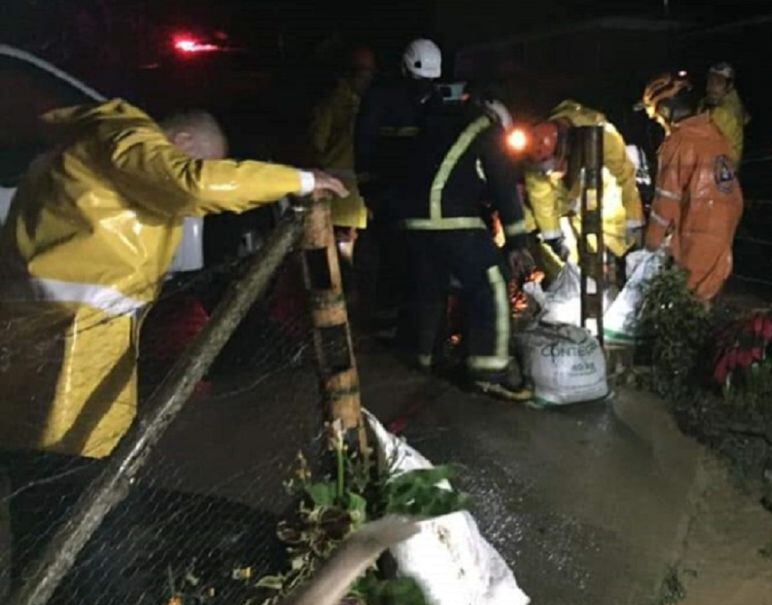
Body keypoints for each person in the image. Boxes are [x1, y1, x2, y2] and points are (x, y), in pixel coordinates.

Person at [0, 99, 347, 460]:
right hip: (79, 326)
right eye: (202, 161)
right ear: (182, 141)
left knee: (22, 441)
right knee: (75, 454)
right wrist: (300, 179)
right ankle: (75, 517)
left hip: (40, 316)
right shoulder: (132, 142)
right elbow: (194, 185)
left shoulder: (88, 144)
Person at [400, 88, 534, 401]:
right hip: (449, 219)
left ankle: (423, 359)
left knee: (430, 287)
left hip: (411, 221)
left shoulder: (437, 123)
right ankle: (491, 372)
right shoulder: (487, 130)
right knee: (492, 279)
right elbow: (503, 186)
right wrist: (517, 243)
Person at [353, 38, 443, 329]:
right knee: (390, 253)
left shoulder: (434, 100)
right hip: (388, 188)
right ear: (405, 70)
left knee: (419, 256)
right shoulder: (381, 97)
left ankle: (411, 317)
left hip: (420, 191)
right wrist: (369, 190)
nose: (424, 87)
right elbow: (364, 144)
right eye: (420, 80)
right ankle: (386, 318)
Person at [641, 73, 744, 303]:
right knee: (709, 301)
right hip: (723, 229)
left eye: (657, 116)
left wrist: (650, 246)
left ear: (666, 110)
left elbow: (665, 201)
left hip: (696, 235)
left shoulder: (679, 143)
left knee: (687, 306)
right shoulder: (715, 135)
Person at [522, 100, 644, 275]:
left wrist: (635, 221)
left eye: (553, 166)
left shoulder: (601, 134)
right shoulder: (536, 154)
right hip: (570, 205)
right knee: (572, 262)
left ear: (564, 148)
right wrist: (554, 238)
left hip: (604, 194)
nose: (550, 172)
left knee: (618, 238)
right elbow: (542, 200)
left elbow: (625, 177)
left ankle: (621, 264)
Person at [305, 44, 377, 265]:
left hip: (358, 203)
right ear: (351, 73)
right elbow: (314, 148)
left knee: (357, 262)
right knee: (342, 263)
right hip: (339, 202)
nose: (370, 79)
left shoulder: (366, 103)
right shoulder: (333, 104)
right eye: (366, 73)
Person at [699, 62, 750, 166]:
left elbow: (700, 143)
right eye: (710, 81)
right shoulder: (710, 102)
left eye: (718, 82)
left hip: (718, 171)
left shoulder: (724, 113)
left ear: (729, 85)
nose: (711, 87)